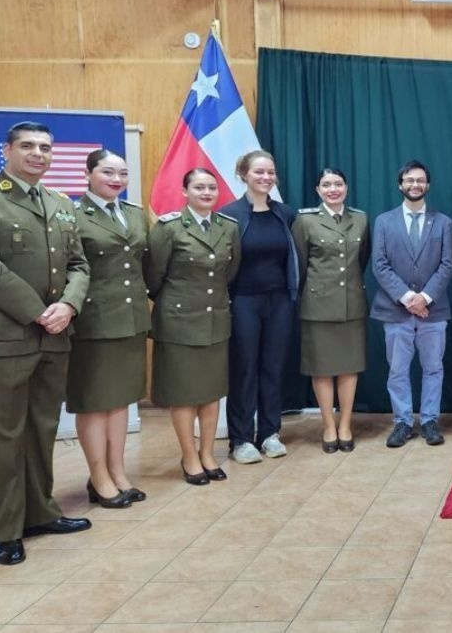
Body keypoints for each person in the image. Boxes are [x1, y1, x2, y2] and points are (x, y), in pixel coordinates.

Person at [0, 122, 91, 566]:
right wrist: (38, 312)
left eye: (45, 148)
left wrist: (68, 305)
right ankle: (6, 528)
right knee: (4, 435)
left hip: (54, 336)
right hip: (7, 337)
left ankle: (41, 511)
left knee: (42, 428)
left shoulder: (61, 203)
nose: (37, 154)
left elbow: (80, 264)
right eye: (27, 146)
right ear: (6, 150)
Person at [66, 149, 150, 508]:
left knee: (120, 401)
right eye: (107, 172)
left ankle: (117, 471)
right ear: (88, 174)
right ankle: (98, 476)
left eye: (122, 173)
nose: (116, 179)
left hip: (130, 320)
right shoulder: (71, 214)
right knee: (94, 403)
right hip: (93, 322)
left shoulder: (134, 214)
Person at [147, 168, 241, 487]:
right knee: (185, 393)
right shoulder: (169, 228)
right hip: (179, 321)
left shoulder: (228, 227)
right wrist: (180, 302)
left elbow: (230, 271)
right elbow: (153, 277)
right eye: (199, 187)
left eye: (212, 187)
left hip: (216, 319)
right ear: (184, 191)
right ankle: (189, 456)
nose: (206, 192)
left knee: (212, 392)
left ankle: (208, 453)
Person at [219, 151, 299, 464]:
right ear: (243, 174)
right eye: (258, 172)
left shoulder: (285, 213)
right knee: (244, 369)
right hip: (243, 301)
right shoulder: (230, 214)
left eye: (270, 172)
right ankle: (240, 439)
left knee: (273, 367)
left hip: (279, 301)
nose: (265, 178)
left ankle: (269, 433)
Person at [371, 161, 452, 448]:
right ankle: (403, 422)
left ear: (427, 185)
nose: (415, 184)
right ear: (400, 185)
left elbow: (447, 264)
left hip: (434, 310)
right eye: (409, 180)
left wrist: (424, 298)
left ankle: (430, 420)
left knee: (433, 368)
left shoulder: (443, 222)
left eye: (420, 180)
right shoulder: (384, 221)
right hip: (395, 311)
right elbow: (379, 265)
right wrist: (409, 299)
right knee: (397, 370)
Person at [293, 168, 370, 452]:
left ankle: (346, 424)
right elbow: (299, 265)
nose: (333, 189)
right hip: (318, 305)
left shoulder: (360, 219)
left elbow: (361, 260)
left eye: (338, 184)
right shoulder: (305, 221)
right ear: (318, 190)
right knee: (322, 368)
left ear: (346, 188)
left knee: (350, 367)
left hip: (351, 303)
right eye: (326, 185)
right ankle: (328, 425)